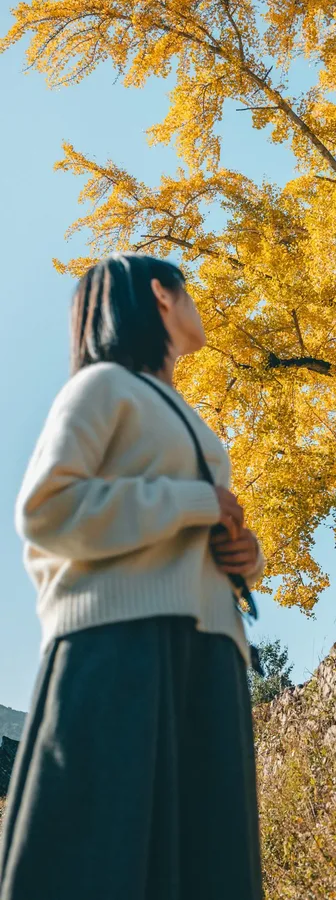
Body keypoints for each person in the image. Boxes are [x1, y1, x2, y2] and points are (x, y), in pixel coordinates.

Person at [0, 253, 265, 900]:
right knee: (99, 859)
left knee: (203, 863)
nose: (197, 305)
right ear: (160, 296)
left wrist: (243, 554)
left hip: (205, 651)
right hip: (121, 648)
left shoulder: (181, 410)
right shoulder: (102, 387)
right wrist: (194, 505)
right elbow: (46, 508)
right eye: (189, 291)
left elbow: (183, 525)